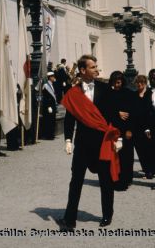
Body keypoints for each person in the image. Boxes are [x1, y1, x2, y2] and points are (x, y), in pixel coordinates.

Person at [60, 54, 119, 229]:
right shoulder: (73, 93)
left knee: (106, 181)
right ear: (83, 70)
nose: (96, 70)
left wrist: (118, 137)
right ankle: (69, 218)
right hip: (83, 144)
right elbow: (69, 119)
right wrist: (68, 139)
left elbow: (113, 115)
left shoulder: (105, 88)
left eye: (96, 67)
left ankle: (107, 215)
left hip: (102, 142)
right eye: (93, 67)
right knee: (76, 181)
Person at [108, 71, 134, 191]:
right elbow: (105, 111)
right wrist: (117, 113)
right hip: (113, 130)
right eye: (114, 82)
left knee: (126, 156)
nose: (117, 85)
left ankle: (126, 179)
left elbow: (133, 113)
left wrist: (130, 129)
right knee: (115, 156)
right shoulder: (109, 94)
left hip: (126, 129)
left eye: (118, 82)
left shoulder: (128, 93)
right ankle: (116, 179)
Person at [131, 75, 152, 179]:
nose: (139, 84)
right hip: (137, 127)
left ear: (145, 83)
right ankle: (147, 170)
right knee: (140, 150)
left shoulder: (150, 93)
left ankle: (153, 169)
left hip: (149, 126)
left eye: (142, 82)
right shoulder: (133, 95)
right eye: (138, 82)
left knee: (150, 149)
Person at [42, 71, 57, 140]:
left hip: (53, 105)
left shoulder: (52, 84)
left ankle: (52, 134)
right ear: (50, 77)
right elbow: (45, 97)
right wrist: (48, 106)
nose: (54, 78)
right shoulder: (46, 85)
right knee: (49, 121)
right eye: (53, 76)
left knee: (52, 120)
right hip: (49, 106)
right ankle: (48, 135)